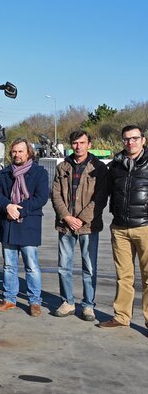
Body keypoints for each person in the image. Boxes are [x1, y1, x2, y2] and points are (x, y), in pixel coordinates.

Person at [50, 130, 108, 321]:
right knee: (64, 266)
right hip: (65, 224)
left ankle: (88, 306)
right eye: (75, 143)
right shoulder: (63, 166)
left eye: (82, 143)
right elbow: (56, 194)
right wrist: (67, 216)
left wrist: (81, 219)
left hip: (88, 226)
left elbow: (100, 198)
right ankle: (67, 302)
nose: (78, 146)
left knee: (89, 267)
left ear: (89, 144)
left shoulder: (98, 168)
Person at [99, 125, 148, 329]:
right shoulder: (116, 165)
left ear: (143, 140)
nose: (130, 142)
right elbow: (107, 192)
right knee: (123, 276)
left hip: (145, 227)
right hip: (119, 228)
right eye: (127, 139)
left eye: (135, 138)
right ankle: (121, 316)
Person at [0, 138, 48, 317]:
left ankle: (35, 301)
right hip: (8, 223)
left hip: (28, 223)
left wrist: (18, 210)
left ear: (28, 153)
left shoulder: (40, 172)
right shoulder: (4, 173)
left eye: (21, 151)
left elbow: (41, 197)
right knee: (9, 266)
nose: (17, 154)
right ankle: (9, 299)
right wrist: (8, 206)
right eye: (14, 151)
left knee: (32, 266)